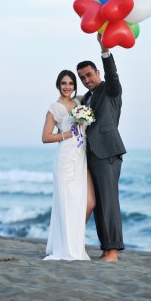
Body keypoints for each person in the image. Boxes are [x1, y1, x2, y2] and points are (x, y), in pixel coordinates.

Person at [76, 33, 126, 262]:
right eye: (82, 77)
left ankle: (113, 251)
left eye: (89, 75)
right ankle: (105, 249)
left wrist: (104, 49)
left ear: (97, 73)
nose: (86, 80)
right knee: (97, 204)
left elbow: (112, 75)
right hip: (90, 155)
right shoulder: (86, 98)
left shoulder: (110, 89)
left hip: (107, 152)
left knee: (109, 200)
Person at [41, 69, 95, 260]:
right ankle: (67, 247)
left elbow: (93, 92)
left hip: (81, 157)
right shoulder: (54, 108)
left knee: (86, 202)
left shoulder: (79, 103)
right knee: (67, 202)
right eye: (64, 83)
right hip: (65, 157)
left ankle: (74, 243)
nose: (67, 87)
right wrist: (67, 134)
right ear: (58, 85)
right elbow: (45, 137)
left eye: (71, 83)